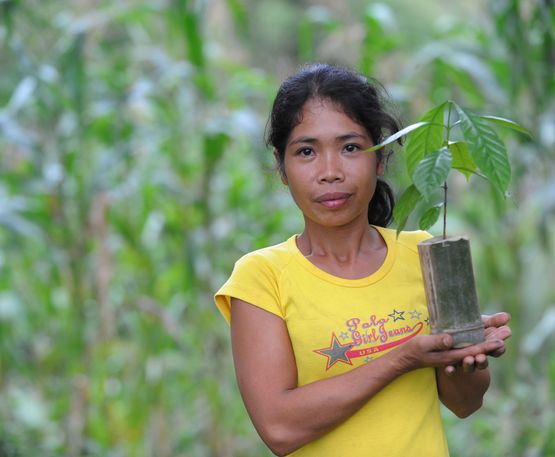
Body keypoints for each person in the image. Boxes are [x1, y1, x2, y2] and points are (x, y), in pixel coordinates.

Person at [214, 63, 512, 457]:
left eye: (351, 147)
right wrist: (402, 359)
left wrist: (465, 354)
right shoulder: (262, 277)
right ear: (282, 168)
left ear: (381, 158)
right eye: (306, 151)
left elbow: (464, 403)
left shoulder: (424, 253)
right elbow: (279, 428)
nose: (330, 172)